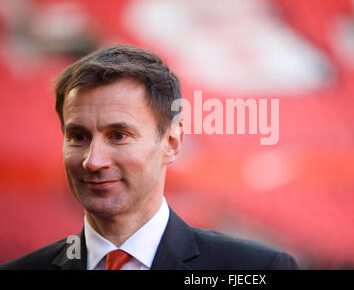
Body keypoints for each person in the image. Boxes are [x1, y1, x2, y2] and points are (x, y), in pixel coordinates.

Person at [0, 44, 299, 270]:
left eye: (118, 135)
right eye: (78, 137)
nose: (93, 161)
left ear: (171, 142)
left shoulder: (255, 269)